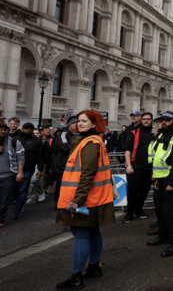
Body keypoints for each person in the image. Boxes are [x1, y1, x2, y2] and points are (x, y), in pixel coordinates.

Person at [55, 109, 115, 290]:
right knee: (93, 232)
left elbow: (87, 174)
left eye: (84, 121)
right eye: (78, 121)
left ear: (94, 124)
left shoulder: (89, 143)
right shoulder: (94, 140)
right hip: (95, 198)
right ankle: (94, 268)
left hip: (85, 200)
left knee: (81, 236)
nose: (79, 123)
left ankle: (76, 277)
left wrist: (78, 200)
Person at [146, 112, 173, 258]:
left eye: (167, 120)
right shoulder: (161, 137)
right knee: (160, 210)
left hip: (170, 181)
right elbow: (157, 159)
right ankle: (163, 235)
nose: (163, 122)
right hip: (160, 180)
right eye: (162, 120)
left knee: (172, 213)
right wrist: (156, 178)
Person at [123, 112, 155, 223]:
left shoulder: (154, 134)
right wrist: (128, 165)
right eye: (144, 119)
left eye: (148, 119)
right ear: (141, 120)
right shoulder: (134, 133)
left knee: (144, 191)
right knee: (132, 191)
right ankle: (129, 213)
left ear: (152, 120)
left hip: (149, 168)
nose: (146, 121)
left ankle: (139, 210)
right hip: (135, 167)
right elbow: (127, 149)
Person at [13, 123, 42, 219]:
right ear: (22, 129)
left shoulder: (36, 140)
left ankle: (17, 211)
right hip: (13, 168)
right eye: (26, 128)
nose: (28, 130)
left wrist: (40, 169)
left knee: (23, 190)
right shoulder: (16, 139)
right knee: (13, 190)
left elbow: (39, 155)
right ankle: (17, 204)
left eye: (30, 128)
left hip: (28, 168)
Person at [0, 121, 24, 228]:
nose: (3, 131)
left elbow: (20, 157)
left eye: (5, 129)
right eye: (1, 129)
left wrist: (20, 172)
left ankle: (1, 219)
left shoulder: (14, 142)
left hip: (8, 176)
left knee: (4, 200)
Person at [53, 117, 78, 206]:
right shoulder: (63, 134)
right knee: (61, 185)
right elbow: (64, 148)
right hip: (63, 164)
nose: (77, 124)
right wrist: (79, 147)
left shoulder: (78, 135)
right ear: (70, 124)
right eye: (75, 123)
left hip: (74, 165)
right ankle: (58, 202)